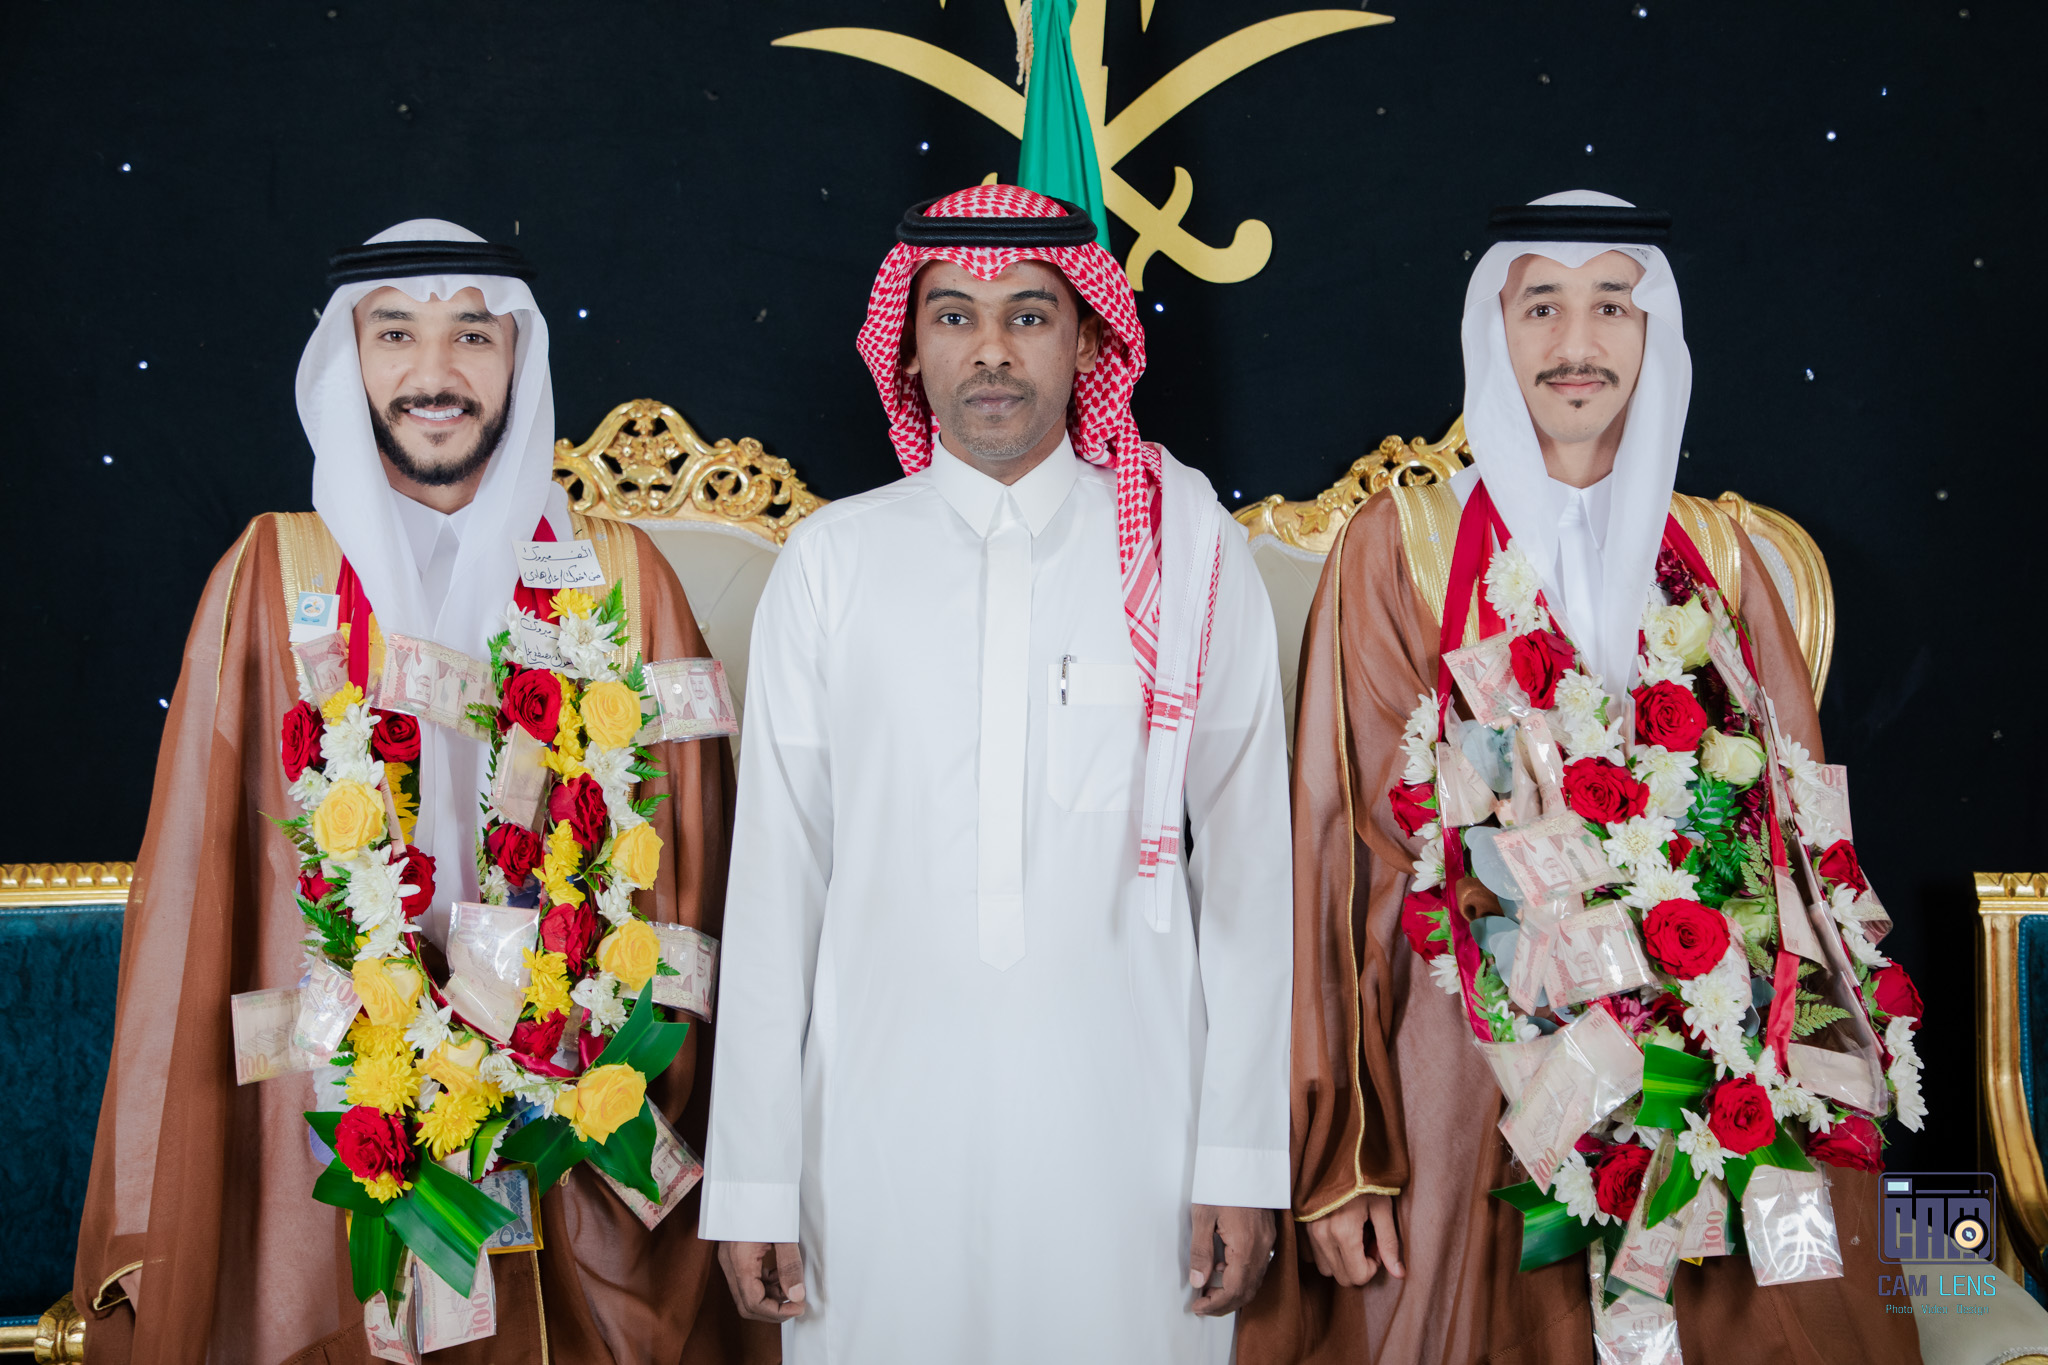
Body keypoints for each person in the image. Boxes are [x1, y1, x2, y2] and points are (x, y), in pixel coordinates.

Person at [72, 220, 774, 1364]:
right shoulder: (272, 577)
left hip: (573, 1125)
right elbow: (207, 895)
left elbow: (697, 866)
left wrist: (567, 1040)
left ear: (518, 357)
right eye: (395, 334)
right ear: (346, 362)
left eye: (472, 336)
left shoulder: (621, 576)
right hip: (328, 1111)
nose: (434, 372)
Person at [1239, 192, 1923, 1364]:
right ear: (1491, 330)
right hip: (1474, 1020)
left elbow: (1802, 847)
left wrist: (1788, 1047)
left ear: (1653, 333)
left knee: (1802, 1258)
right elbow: (1345, 856)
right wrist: (1344, 1152)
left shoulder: (1720, 552)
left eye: (1611, 305)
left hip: (1718, 1021)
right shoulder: (1403, 546)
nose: (1575, 342)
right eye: (1540, 306)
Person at [699, 185, 1294, 1364]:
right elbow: (775, 881)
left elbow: (1248, 870)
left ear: (1088, 342)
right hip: (873, 1137)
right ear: (907, 350)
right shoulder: (831, 563)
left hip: (1132, 1134)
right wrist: (756, 1177)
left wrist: (1239, 1156)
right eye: (952, 317)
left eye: (1027, 315)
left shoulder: (1185, 550)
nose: (990, 351)